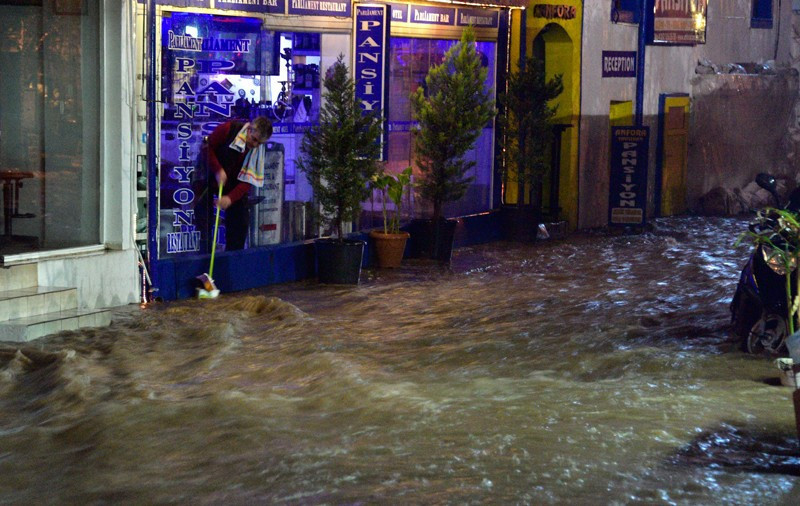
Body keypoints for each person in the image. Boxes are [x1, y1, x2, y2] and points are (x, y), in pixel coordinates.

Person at [206, 116, 272, 250]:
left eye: (260, 143)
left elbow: (248, 181)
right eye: (254, 139)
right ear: (249, 129)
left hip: (233, 187)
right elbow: (207, 148)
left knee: (239, 227)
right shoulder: (228, 129)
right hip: (209, 179)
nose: (255, 145)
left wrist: (229, 199)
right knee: (204, 226)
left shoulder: (257, 151)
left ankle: (231, 262)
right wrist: (218, 169)